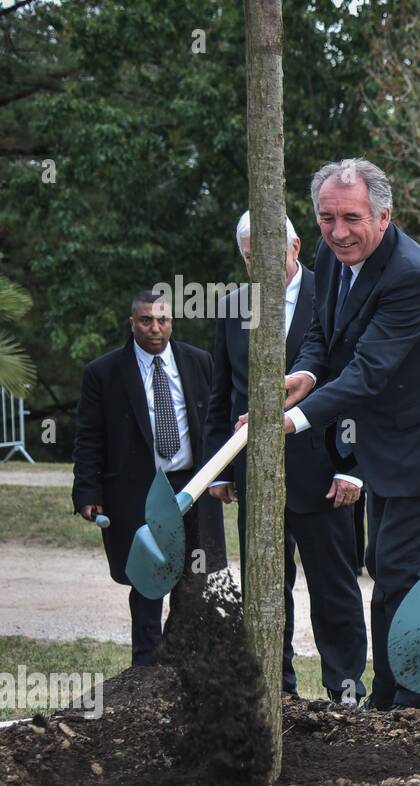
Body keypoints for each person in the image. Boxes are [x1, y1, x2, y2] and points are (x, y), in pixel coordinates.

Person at [270, 158, 420, 713]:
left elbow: (368, 371)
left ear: (384, 216)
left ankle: (416, 705)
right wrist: (307, 374)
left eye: (352, 218)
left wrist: (291, 420)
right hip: (380, 436)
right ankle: (389, 695)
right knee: (386, 569)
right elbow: (322, 334)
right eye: (326, 218)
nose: (338, 232)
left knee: (397, 569)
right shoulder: (332, 254)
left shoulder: (412, 276)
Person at [206, 211, 368, 704]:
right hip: (255, 474)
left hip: (323, 473)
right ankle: (275, 691)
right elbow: (223, 394)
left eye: (272, 253)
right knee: (265, 589)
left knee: (333, 588)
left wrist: (351, 466)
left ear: (296, 247)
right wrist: (221, 468)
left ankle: (344, 689)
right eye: (252, 257)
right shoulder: (233, 307)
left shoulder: (335, 296)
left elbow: (358, 385)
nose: (262, 265)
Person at [72, 291, 227, 666]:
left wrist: (225, 474)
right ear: (132, 323)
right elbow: (89, 437)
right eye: (146, 321)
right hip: (139, 490)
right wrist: (88, 490)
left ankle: (178, 657)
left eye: (163, 320)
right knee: (148, 578)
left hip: (193, 485)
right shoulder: (104, 373)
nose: (155, 329)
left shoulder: (198, 361)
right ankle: (146, 666)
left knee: (196, 576)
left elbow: (215, 421)